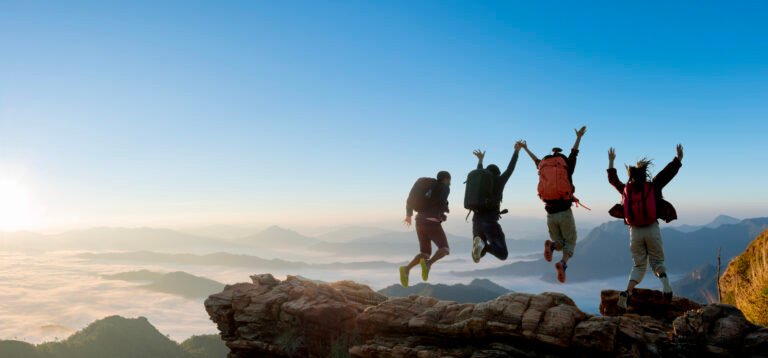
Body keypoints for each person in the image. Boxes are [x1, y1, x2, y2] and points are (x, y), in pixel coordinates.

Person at [608, 145, 683, 309]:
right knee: (657, 261)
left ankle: (627, 292)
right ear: (645, 174)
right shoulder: (653, 186)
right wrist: (678, 159)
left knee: (639, 266)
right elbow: (667, 174)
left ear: (631, 176)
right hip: (651, 228)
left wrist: (611, 161)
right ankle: (665, 284)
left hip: (634, 232)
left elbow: (613, 181)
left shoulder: (626, 190)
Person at [520, 126, 587, 283]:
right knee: (570, 243)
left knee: (560, 243)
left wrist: (525, 148)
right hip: (564, 211)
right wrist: (579, 137)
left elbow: (535, 160)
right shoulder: (566, 165)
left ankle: (551, 246)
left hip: (550, 212)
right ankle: (563, 263)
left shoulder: (543, 164)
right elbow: (574, 152)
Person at [469, 142, 522, 262]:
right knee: (503, 254)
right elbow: (510, 168)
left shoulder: (480, 184)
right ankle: (485, 247)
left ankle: (481, 245)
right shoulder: (499, 180)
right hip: (489, 221)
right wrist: (516, 151)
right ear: (497, 173)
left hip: (476, 219)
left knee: (479, 254)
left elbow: (479, 172)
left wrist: (480, 161)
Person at [400, 171, 451, 287]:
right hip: (432, 223)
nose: (450, 184)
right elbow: (440, 204)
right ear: (445, 180)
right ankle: (428, 264)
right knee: (445, 249)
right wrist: (442, 214)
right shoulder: (444, 188)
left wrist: (409, 215)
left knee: (425, 253)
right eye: (449, 181)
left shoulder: (425, 186)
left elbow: (410, 199)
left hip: (419, 222)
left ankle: (406, 269)